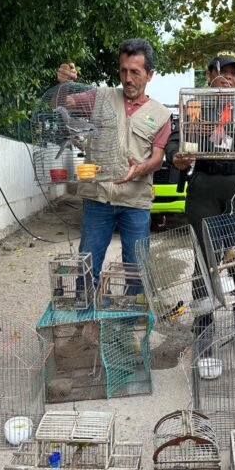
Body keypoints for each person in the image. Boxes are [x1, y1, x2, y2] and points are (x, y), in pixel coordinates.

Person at [165, 52, 235, 355]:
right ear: (210, 75)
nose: (229, 78)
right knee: (204, 263)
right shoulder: (196, 105)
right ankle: (204, 331)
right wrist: (176, 155)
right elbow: (176, 138)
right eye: (223, 72)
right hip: (204, 188)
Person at [55, 38, 172, 288]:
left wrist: (141, 169)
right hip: (98, 198)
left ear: (150, 75)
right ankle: (87, 320)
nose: (127, 79)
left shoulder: (161, 114)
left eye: (135, 72)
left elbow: (157, 156)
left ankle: (132, 322)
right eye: (123, 71)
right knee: (86, 269)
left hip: (135, 202)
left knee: (137, 271)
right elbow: (63, 103)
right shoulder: (100, 97)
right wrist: (65, 85)